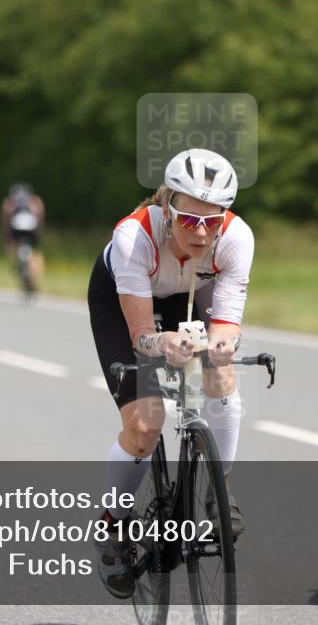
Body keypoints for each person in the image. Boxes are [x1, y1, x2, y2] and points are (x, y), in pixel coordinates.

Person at [88, 148, 253, 598]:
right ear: (167, 208)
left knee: (221, 371)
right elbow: (142, 335)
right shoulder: (134, 238)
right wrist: (161, 343)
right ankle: (114, 525)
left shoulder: (237, 239)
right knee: (145, 425)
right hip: (127, 298)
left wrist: (220, 345)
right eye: (187, 219)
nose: (200, 233)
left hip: (192, 290)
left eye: (212, 221)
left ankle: (217, 489)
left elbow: (225, 323)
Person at [0, 184, 45, 290]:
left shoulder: (9, 203)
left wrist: (7, 237)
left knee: (12, 248)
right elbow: (40, 217)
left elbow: (6, 221)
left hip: (16, 230)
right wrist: (39, 232)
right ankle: (34, 276)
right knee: (35, 253)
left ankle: (19, 267)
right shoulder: (36, 201)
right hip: (32, 229)